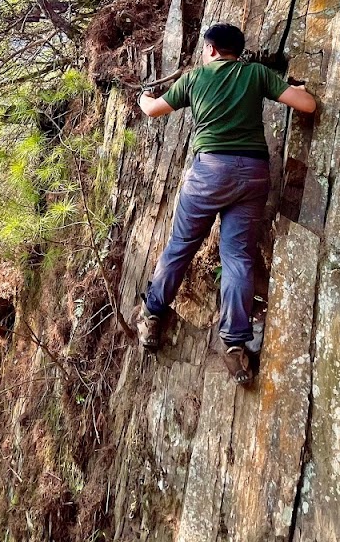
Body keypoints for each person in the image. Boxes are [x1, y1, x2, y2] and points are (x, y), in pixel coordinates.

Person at [135, 23, 316, 385]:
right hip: (253, 174)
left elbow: (153, 110)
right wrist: (297, 88)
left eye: (205, 48)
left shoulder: (195, 78)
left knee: (182, 246)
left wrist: (143, 97)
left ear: (213, 49)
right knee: (237, 258)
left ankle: (153, 314)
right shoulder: (256, 74)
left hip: (209, 173)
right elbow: (307, 105)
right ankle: (235, 344)